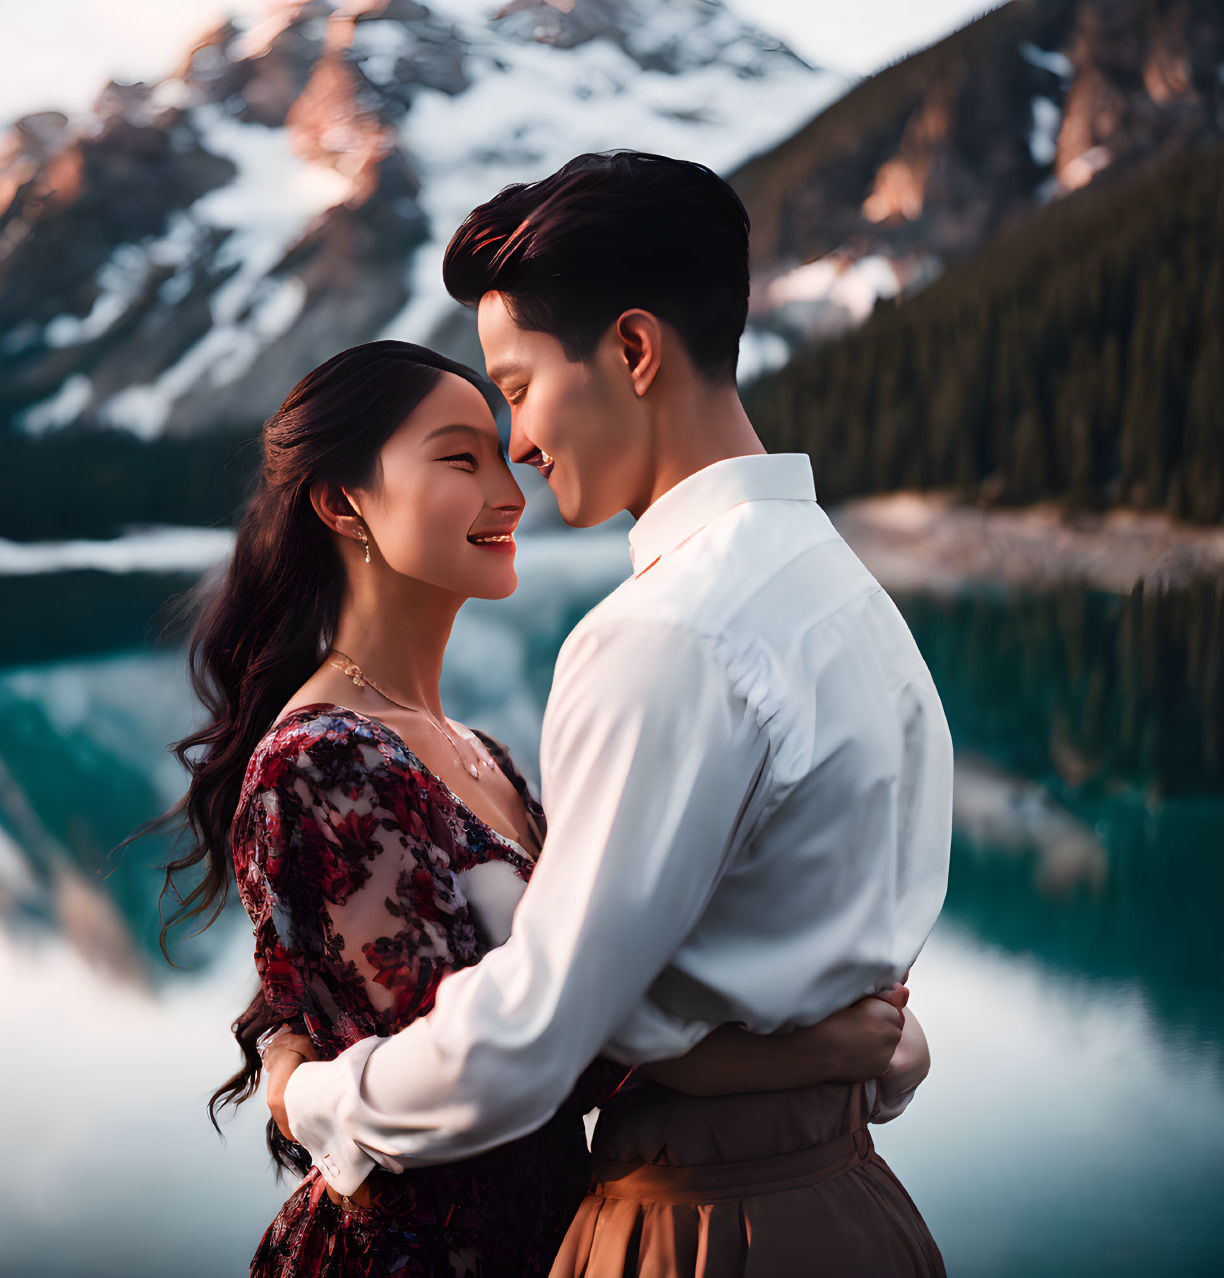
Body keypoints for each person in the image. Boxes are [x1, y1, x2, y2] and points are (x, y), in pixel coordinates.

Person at [261, 153, 953, 1277]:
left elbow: (531, 1039)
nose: (519, 452)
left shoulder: (666, 631)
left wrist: (313, 1099)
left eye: (520, 390)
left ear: (631, 351)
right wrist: (856, 1052)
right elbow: (857, 997)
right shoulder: (840, 590)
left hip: (701, 1222)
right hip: (850, 1198)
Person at [133, 338, 927, 1276]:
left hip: (563, 1231)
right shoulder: (322, 763)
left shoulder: (479, 753)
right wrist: (810, 1046)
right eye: (459, 459)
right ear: (342, 502)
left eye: (505, 456)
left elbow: (588, 997)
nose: (511, 492)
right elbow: (512, 1057)